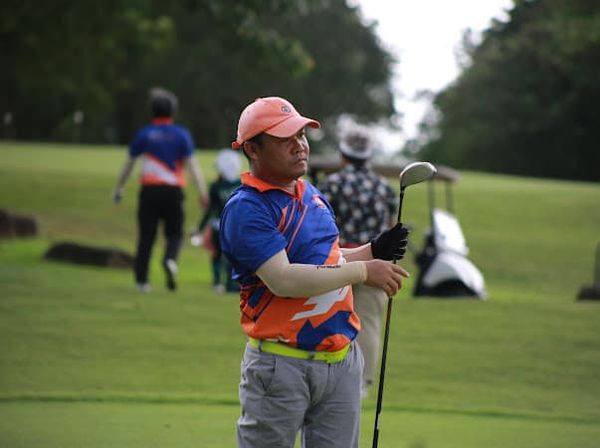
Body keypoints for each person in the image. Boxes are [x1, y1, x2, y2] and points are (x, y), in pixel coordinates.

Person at [219, 96, 410, 448]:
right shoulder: (247, 208)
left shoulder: (312, 195)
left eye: (301, 135)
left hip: (341, 361)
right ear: (252, 149)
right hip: (280, 365)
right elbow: (285, 279)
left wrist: (372, 250)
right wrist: (364, 270)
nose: (299, 145)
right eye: (284, 139)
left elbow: (328, 259)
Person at [319, 130, 398, 398]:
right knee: (369, 322)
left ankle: (330, 375)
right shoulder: (384, 187)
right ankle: (362, 383)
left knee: (329, 315)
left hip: (338, 261)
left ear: (343, 155)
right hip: (376, 264)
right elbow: (390, 229)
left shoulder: (332, 184)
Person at [112, 87, 208, 293]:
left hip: (149, 191)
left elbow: (128, 164)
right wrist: (202, 193)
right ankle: (170, 259)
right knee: (174, 233)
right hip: (173, 192)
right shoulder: (181, 135)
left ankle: (142, 282)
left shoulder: (144, 134)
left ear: (152, 111)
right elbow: (193, 167)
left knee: (146, 236)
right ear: (173, 111)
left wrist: (119, 188)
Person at [196, 148, 242, 294]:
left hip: (219, 225)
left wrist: (201, 227)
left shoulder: (217, 187)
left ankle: (219, 282)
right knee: (230, 255)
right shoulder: (241, 185)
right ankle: (229, 283)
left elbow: (210, 209)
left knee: (218, 255)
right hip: (234, 226)